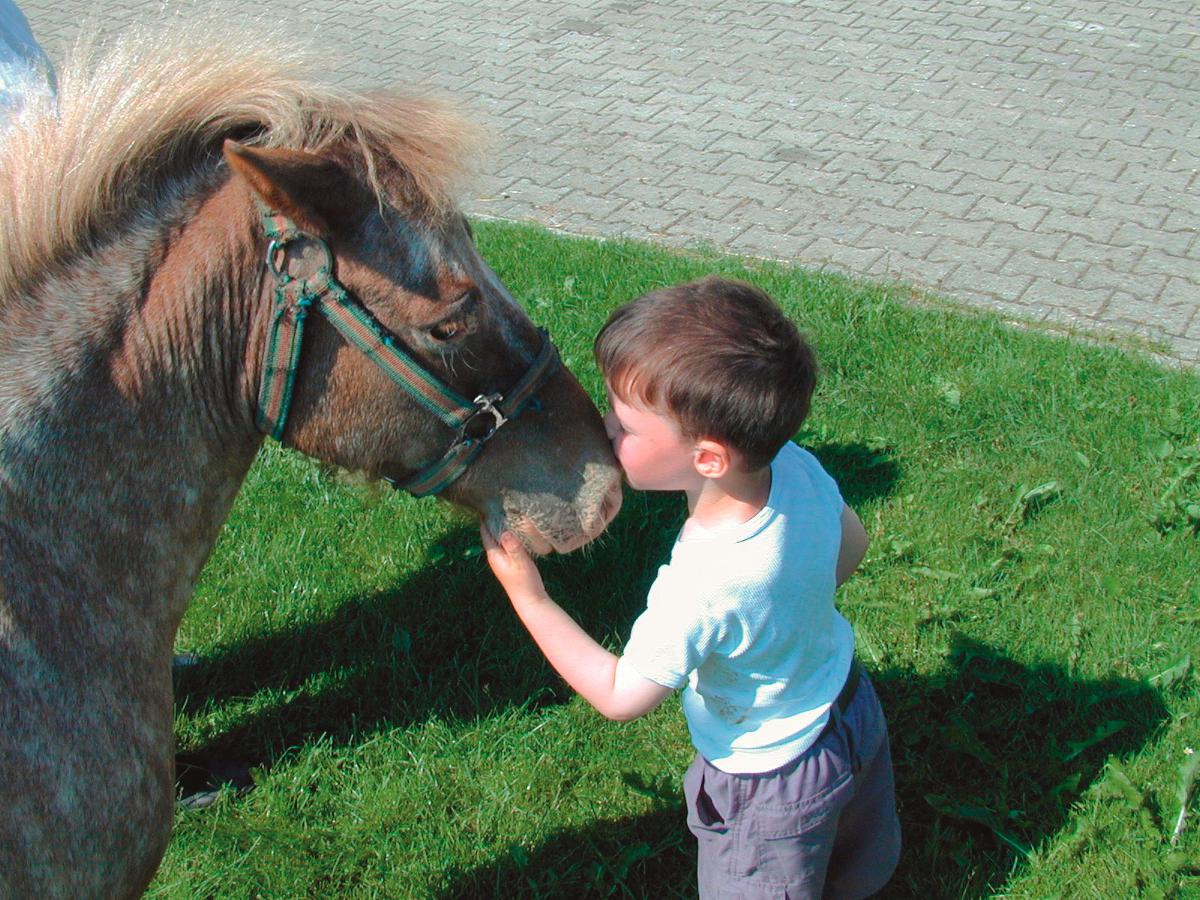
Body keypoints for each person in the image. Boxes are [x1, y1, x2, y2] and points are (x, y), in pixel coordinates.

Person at [482, 276, 900, 898]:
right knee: (857, 863)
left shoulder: (701, 582)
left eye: (623, 425)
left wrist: (529, 597)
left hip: (769, 784)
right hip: (849, 710)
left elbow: (623, 695)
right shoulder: (793, 465)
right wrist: (786, 613)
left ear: (707, 459)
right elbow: (854, 543)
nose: (603, 427)